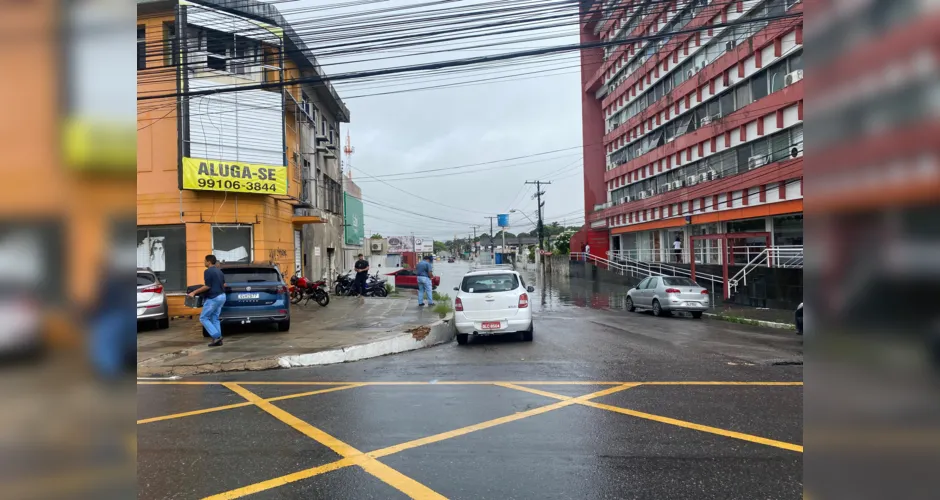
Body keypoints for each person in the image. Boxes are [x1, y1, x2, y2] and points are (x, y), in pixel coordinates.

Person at [188, 254, 226, 347]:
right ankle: (218, 340)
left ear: (209, 262)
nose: (203, 262)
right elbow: (224, 284)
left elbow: (207, 286)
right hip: (222, 296)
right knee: (214, 318)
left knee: (203, 318)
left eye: (204, 261)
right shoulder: (219, 271)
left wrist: (194, 292)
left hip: (213, 298)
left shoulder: (208, 271)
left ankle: (216, 336)